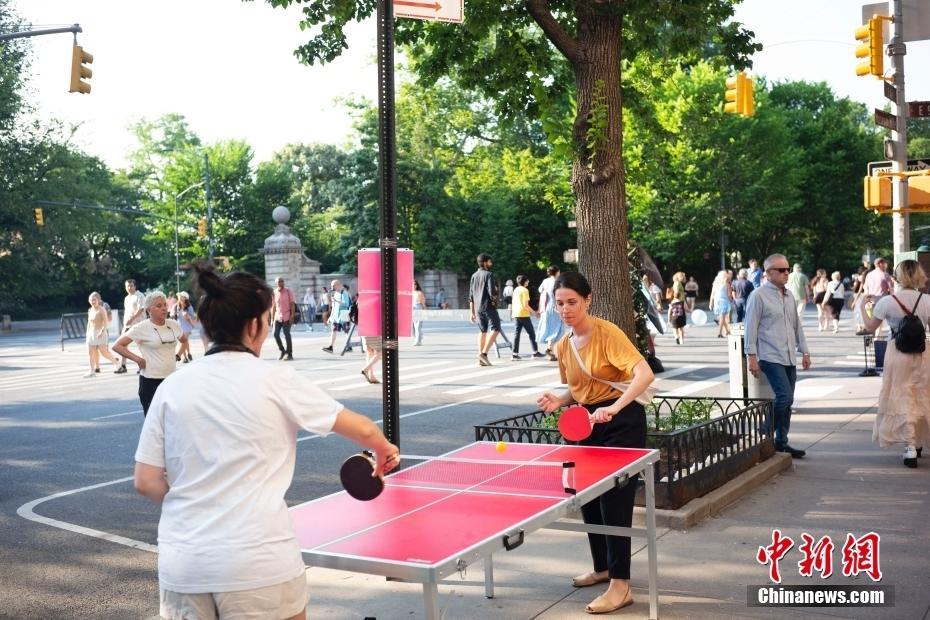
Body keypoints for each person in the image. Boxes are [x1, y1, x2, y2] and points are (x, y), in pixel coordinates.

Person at [133, 263, 399, 620]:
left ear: (206, 329)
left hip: (184, 564)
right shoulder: (276, 380)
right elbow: (364, 431)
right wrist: (384, 451)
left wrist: (197, 500)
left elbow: (146, 481)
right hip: (258, 562)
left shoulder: (171, 388)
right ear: (256, 325)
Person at [536, 272, 655, 615]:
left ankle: (621, 585)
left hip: (623, 421)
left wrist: (615, 407)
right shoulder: (563, 345)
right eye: (560, 303)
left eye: (572, 302)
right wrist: (559, 401)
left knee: (616, 501)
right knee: (588, 498)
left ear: (588, 300)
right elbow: (578, 389)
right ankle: (603, 567)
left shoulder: (607, 333)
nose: (566, 309)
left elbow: (644, 374)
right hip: (587, 424)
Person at [863, 259, 930, 468]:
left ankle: (910, 447)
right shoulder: (927, 300)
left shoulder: (887, 301)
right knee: (922, 395)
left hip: (897, 353)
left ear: (898, 276)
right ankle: (919, 442)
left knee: (902, 396)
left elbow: (870, 328)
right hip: (923, 352)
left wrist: (863, 308)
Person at [744, 253, 811, 459]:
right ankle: (765, 430)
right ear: (768, 273)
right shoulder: (758, 295)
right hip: (770, 356)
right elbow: (750, 328)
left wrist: (805, 351)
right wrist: (751, 358)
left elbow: (796, 326)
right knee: (784, 397)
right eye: (781, 270)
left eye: (788, 269)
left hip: (789, 355)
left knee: (788, 402)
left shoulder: (789, 296)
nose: (786, 273)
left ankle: (781, 442)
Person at [113, 291, 186, 416]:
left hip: (171, 380)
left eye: (164, 305)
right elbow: (117, 346)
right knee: (153, 424)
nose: (163, 308)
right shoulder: (141, 327)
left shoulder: (173, 325)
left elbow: (184, 341)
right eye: (158, 306)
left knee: (173, 421)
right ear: (148, 310)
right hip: (150, 381)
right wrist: (138, 359)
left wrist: (178, 355)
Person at [468, 253, 501, 366]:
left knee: (483, 331)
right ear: (485, 262)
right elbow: (492, 292)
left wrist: (471, 312)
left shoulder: (474, 275)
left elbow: (471, 296)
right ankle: (484, 354)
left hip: (477, 308)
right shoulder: (489, 275)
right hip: (488, 306)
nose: (491, 263)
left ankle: (480, 357)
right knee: (496, 328)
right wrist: (496, 296)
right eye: (490, 261)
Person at [115, 279, 146, 374]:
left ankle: (143, 364)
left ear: (135, 286)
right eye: (127, 286)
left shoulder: (139, 296)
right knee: (122, 345)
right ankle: (123, 365)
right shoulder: (127, 298)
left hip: (138, 324)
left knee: (141, 345)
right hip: (127, 325)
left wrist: (132, 319)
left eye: (131, 285)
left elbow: (141, 309)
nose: (129, 287)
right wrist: (125, 322)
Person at [510, 274, 545, 360]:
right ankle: (535, 352)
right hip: (523, 314)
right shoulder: (525, 290)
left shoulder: (516, 290)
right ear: (524, 282)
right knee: (532, 333)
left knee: (516, 334)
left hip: (516, 314)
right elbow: (525, 305)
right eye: (527, 280)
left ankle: (514, 354)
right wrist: (534, 313)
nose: (528, 281)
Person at [85, 292, 118, 377]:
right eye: (91, 300)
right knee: (90, 352)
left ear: (98, 300)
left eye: (94, 299)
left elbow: (106, 322)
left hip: (101, 333)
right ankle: (92, 371)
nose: (92, 301)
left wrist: (102, 331)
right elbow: (89, 323)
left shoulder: (102, 309)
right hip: (91, 333)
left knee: (104, 352)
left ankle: (116, 363)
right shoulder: (90, 310)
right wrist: (87, 334)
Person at [537, 264, 564, 361]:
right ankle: (551, 350)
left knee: (551, 328)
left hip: (546, 307)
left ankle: (551, 351)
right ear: (557, 272)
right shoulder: (558, 281)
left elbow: (540, 290)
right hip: (555, 307)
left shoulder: (545, 281)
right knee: (557, 329)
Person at [863, 257, 894, 338]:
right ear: (880, 264)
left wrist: (866, 299)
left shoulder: (869, 275)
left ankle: (873, 337)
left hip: (870, 300)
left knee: (871, 320)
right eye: (885, 263)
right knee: (879, 321)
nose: (885, 265)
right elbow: (891, 289)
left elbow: (865, 287)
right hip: (881, 301)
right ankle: (876, 338)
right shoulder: (885, 275)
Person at [271, 277, 296, 361]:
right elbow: (273, 307)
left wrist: (292, 316)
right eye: (279, 282)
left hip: (287, 316)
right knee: (275, 334)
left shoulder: (289, 291)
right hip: (277, 317)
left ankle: (290, 354)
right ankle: (282, 350)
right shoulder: (274, 292)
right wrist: (271, 319)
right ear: (276, 283)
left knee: (287, 334)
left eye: (282, 281)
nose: (281, 283)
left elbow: (292, 304)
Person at [323, 280, 351, 353]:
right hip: (335, 317)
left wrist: (336, 301)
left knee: (346, 331)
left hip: (343, 315)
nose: (332, 287)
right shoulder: (335, 294)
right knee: (333, 331)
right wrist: (330, 317)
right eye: (331, 286)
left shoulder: (344, 293)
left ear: (338, 285)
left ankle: (348, 345)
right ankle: (330, 347)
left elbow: (346, 304)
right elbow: (334, 307)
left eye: (333, 286)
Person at [172, 292, 198, 362]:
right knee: (183, 342)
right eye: (179, 296)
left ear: (185, 298)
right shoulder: (176, 306)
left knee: (184, 341)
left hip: (187, 326)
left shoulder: (189, 307)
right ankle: (186, 356)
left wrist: (188, 316)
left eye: (181, 296)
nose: (179, 297)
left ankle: (179, 356)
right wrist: (175, 313)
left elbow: (193, 317)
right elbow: (172, 315)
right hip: (179, 326)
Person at [709, 270, 732, 338]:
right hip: (724, 302)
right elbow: (729, 294)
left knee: (722, 317)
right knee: (722, 318)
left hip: (717, 302)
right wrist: (731, 300)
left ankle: (727, 331)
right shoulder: (726, 284)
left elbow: (712, 294)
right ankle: (719, 333)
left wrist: (711, 303)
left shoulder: (715, 283)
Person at [667, 272, 687, 344]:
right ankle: (681, 340)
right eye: (683, 276)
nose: (684, 278)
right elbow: (676, 292)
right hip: (679, 302)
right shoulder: (677, 283)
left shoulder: (677, 283)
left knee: (675, 325)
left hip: (676, 302)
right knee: (681, 324)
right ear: (679, 276)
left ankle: (677, 337)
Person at [412, 280, 426, 346]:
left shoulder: (419, 293)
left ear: (417, 285)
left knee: (417, 326)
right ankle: (419, 338)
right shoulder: (410, 293)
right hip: (412, 309)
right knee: (414, 327)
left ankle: (417, 341)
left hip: (418, 308)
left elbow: (423, 303)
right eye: (412, 284)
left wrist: (425, 312)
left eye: (415, 284)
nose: (413, 285)